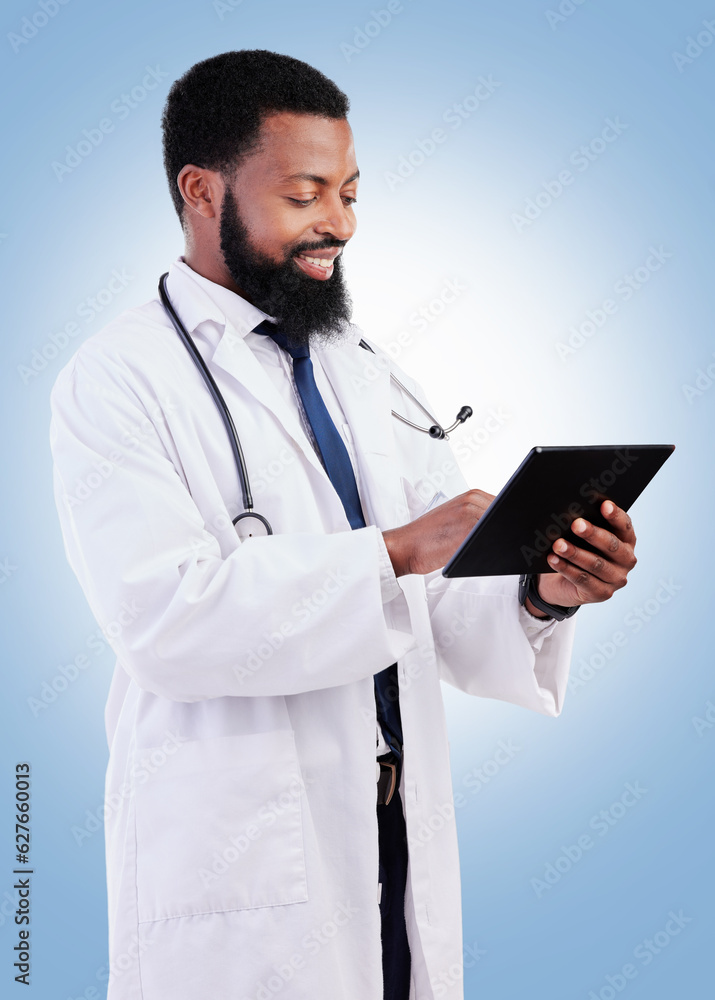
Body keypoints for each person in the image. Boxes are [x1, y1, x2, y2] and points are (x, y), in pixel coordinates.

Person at [49, 50, 637, 1000]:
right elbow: (163, 619)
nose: (341, 225)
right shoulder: (116, 378)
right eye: (307, 194)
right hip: (240, 861)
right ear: (202, 191)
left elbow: (438, 604)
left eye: (352, 193)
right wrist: (396, 549)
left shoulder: (358, 366)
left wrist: (540, 589)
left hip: (395, 841)